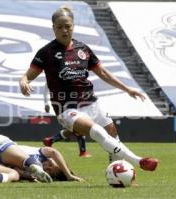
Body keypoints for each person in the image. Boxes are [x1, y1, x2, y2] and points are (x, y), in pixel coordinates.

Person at [19, 6, 159, 171]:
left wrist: (127, 89)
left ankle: (117, 174)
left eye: (68, 26)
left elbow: (104, 73)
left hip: (91, 102)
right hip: (66, 108)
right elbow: (28, 75)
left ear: (73, 26)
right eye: (59, 27)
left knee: (113, 135)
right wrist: (24, 81)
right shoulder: (46, 52)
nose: (64, 30)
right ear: (53, 28)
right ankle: (138, 161)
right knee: (98, 132)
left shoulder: (83, 49)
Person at [0, 134, 83, 184]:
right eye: (52, 164)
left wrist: (26, 176)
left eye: (50, 171)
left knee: (14, 175)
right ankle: (33, 165)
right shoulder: (41, 153)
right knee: (28, 161)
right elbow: (54, 152)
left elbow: (16, 170)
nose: (48, 166)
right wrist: (69, 175)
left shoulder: (32, 176)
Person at [43, 83, 91, 157]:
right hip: (64, 106)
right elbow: (46, 88)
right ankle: (83, 152)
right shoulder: (53, 76)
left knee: (73, 129)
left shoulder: (73, 76)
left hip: (74, 104)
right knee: (79, 126)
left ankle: (50, 140)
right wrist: (46, 103)